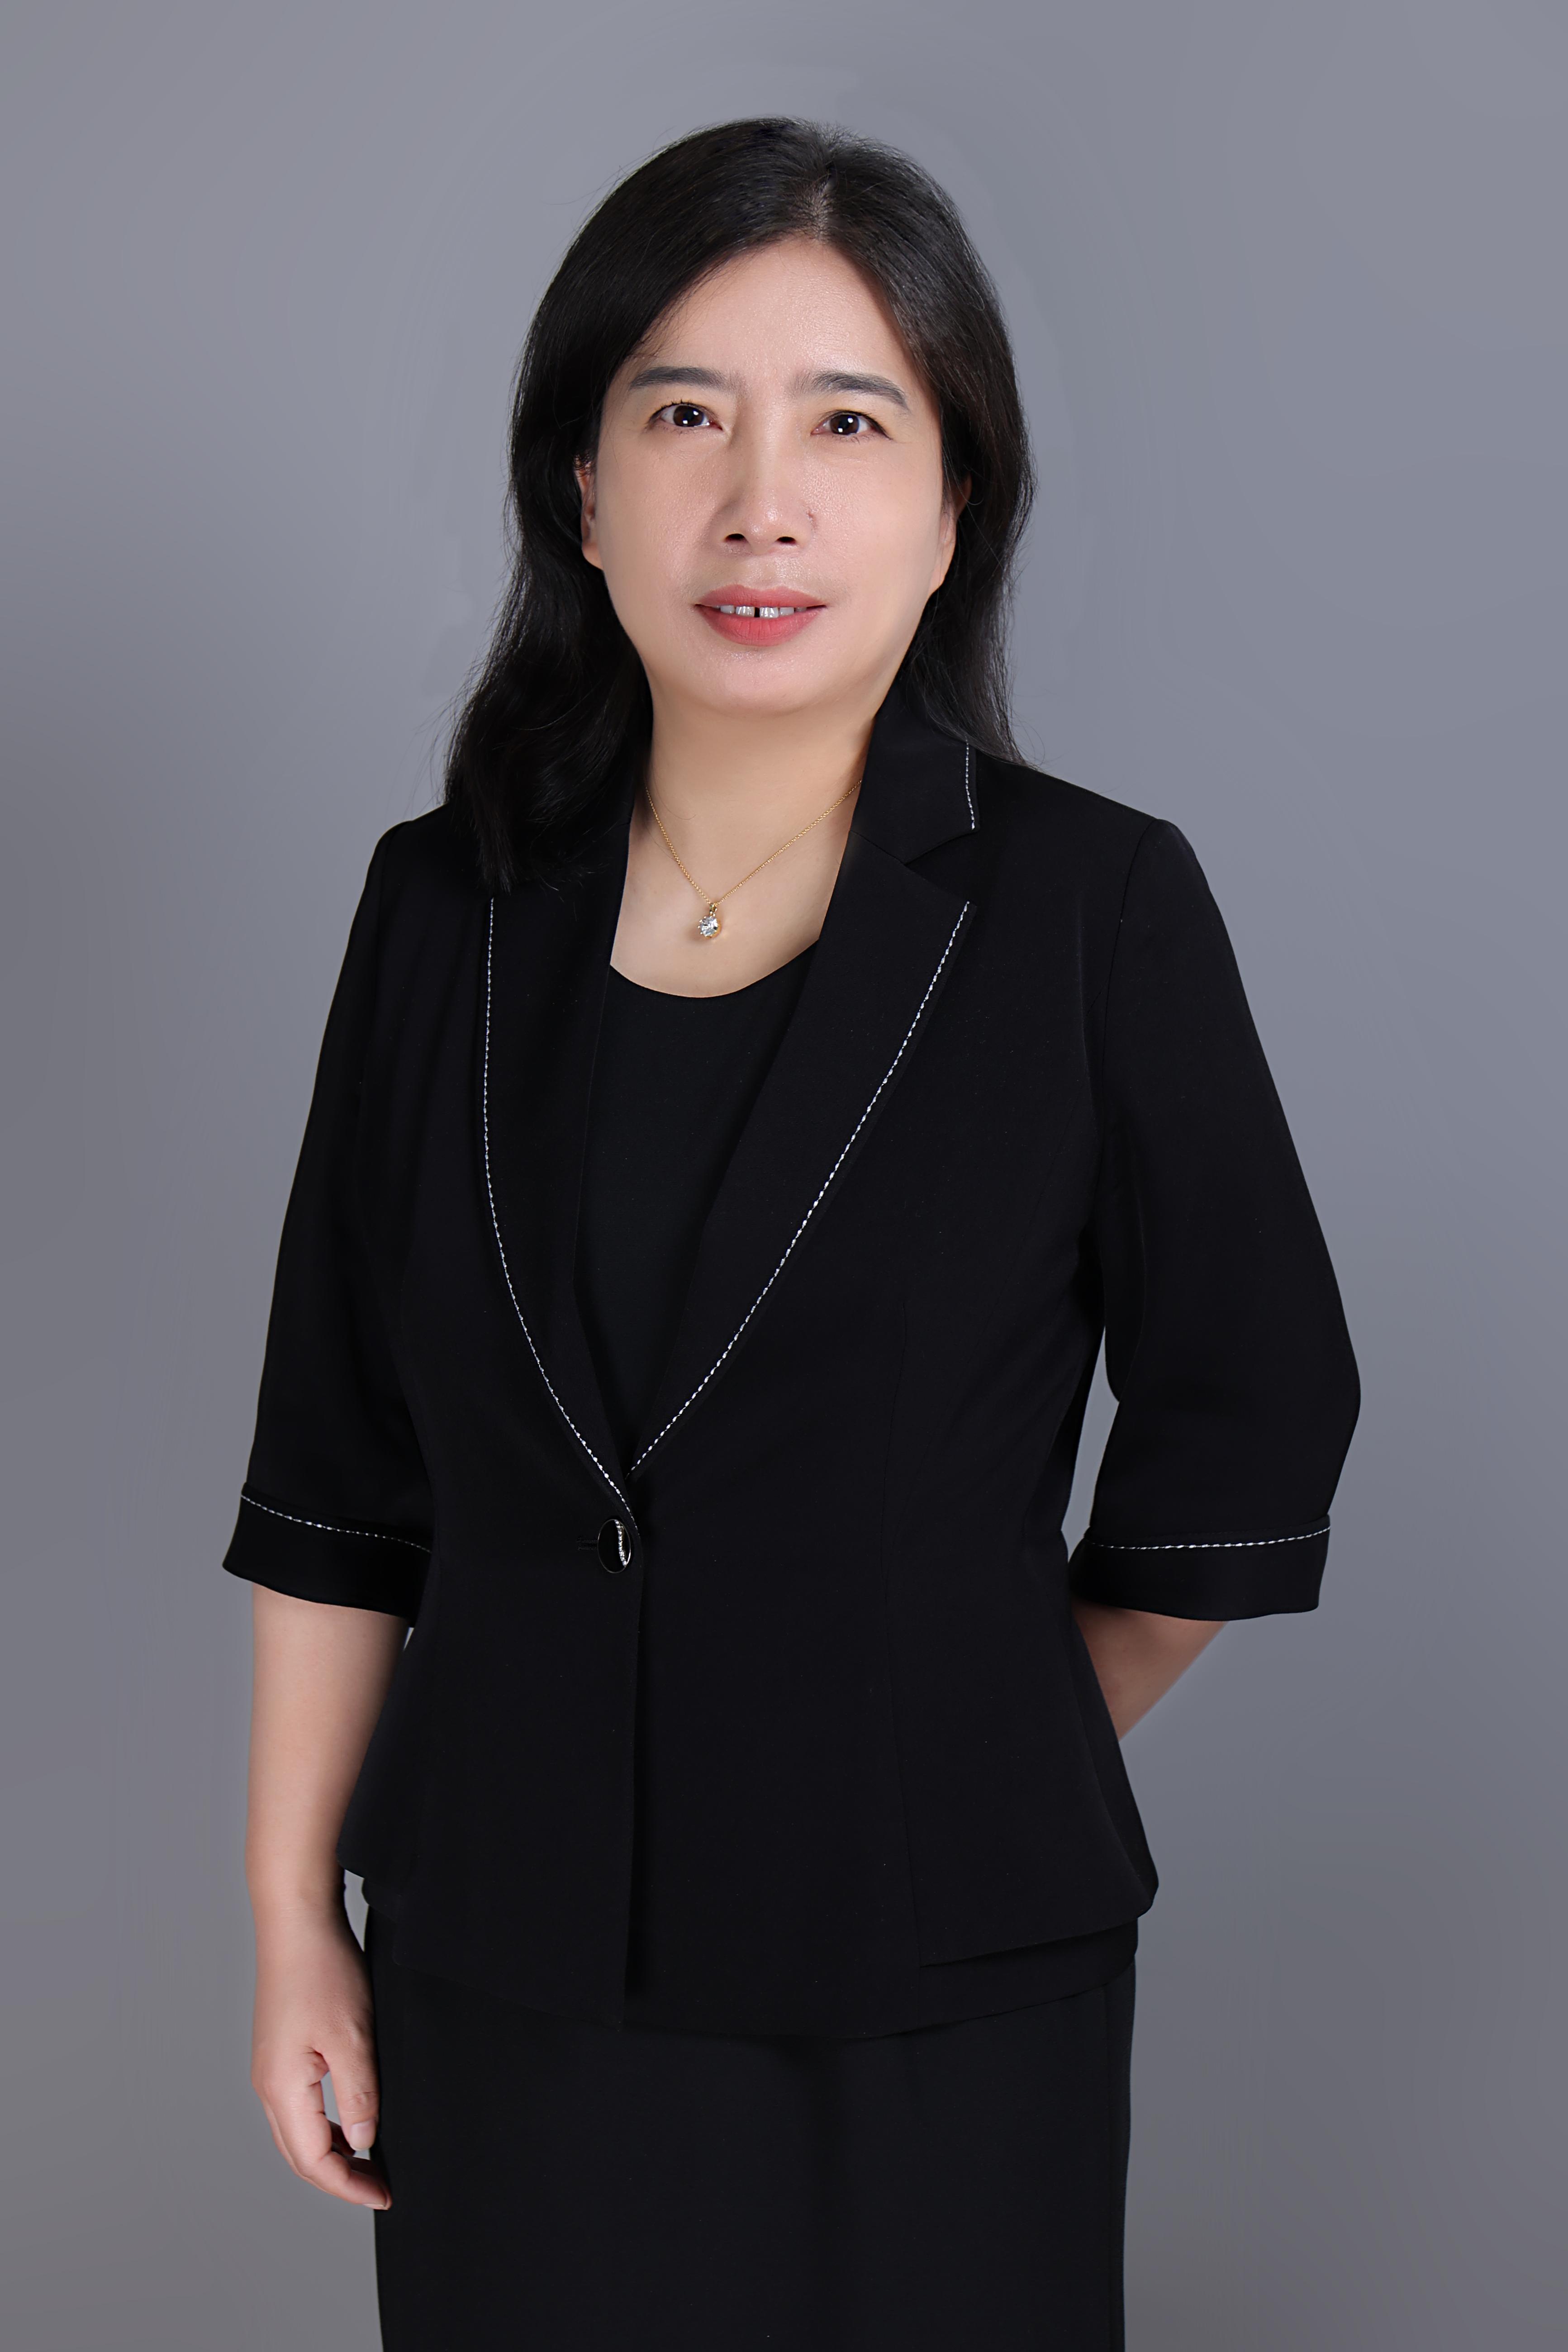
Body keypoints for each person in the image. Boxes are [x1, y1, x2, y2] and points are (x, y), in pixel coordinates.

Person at [227, 117, 1359, 2351]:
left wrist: (969, 1730)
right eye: (685, 418)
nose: (761, 501)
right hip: (503, 1959)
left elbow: (1253, 1415)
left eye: (849, 423)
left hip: (931, 1976)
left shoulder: (1092, 909)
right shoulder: (439, 910)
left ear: (954, 510)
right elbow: (337, 1470)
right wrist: (289, 1922)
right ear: (583, 491)